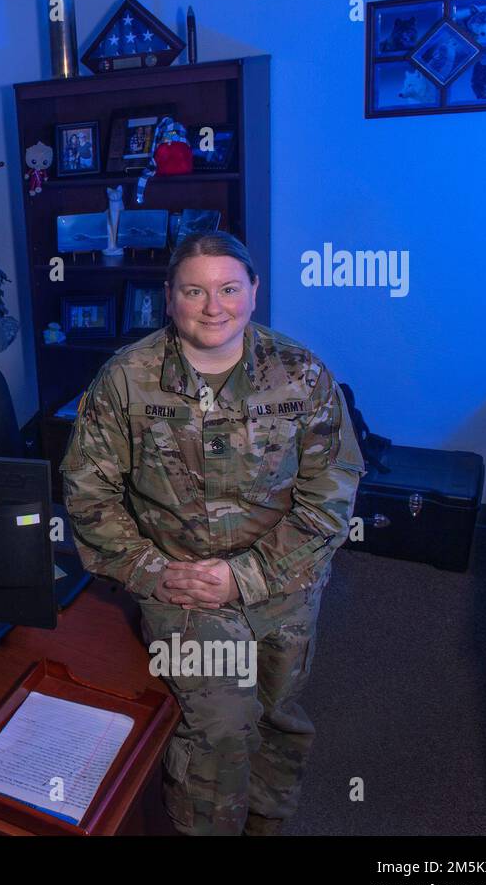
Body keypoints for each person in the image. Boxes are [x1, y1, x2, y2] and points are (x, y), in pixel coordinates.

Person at [62, 231, 364, 836]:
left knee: (279, 714)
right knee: (222, 722)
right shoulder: (126, 379)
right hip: (182, 583)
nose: (213, 306)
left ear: (253, 292)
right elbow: (87, 495)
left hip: (284, 578)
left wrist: (245, 575)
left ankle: (266, 825)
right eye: (194, 291)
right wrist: (155, 572)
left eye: (229, 289)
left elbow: (330, 497)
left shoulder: (301, 375)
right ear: (168, 298)